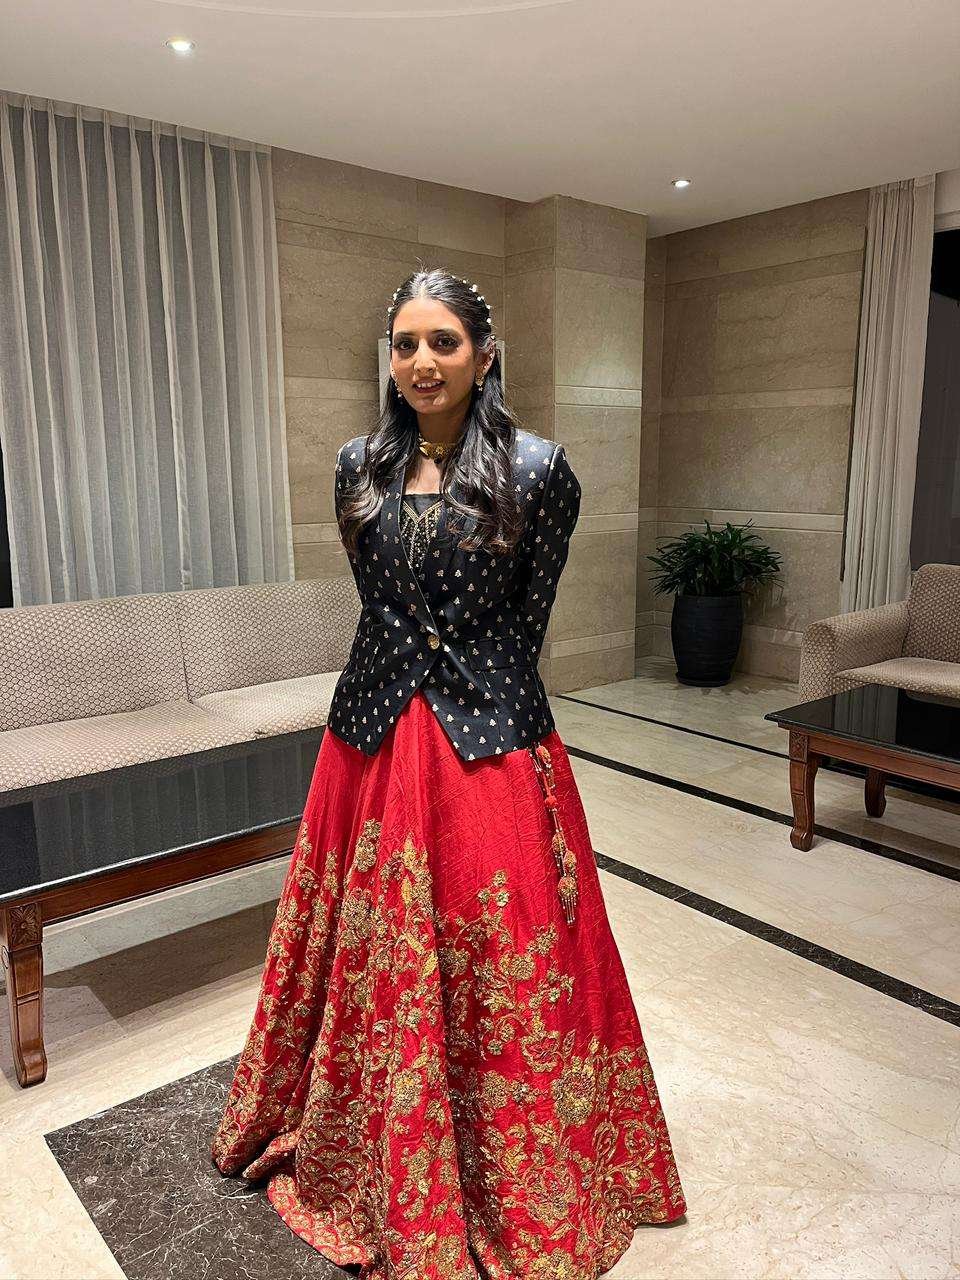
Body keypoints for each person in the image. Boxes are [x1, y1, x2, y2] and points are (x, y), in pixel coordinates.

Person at [210, 267, 687, 1278]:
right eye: (405, 344)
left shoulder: (540, 469)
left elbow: (527, 622)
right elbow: (376, 602)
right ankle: (368, 1144)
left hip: (488, 736)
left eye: (443, 342)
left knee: (502, 955)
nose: (422, 361)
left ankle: (511, 1171)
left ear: (485, 352)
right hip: (370, 736)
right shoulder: (357, 464)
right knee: (365, 952)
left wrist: (484, 712)